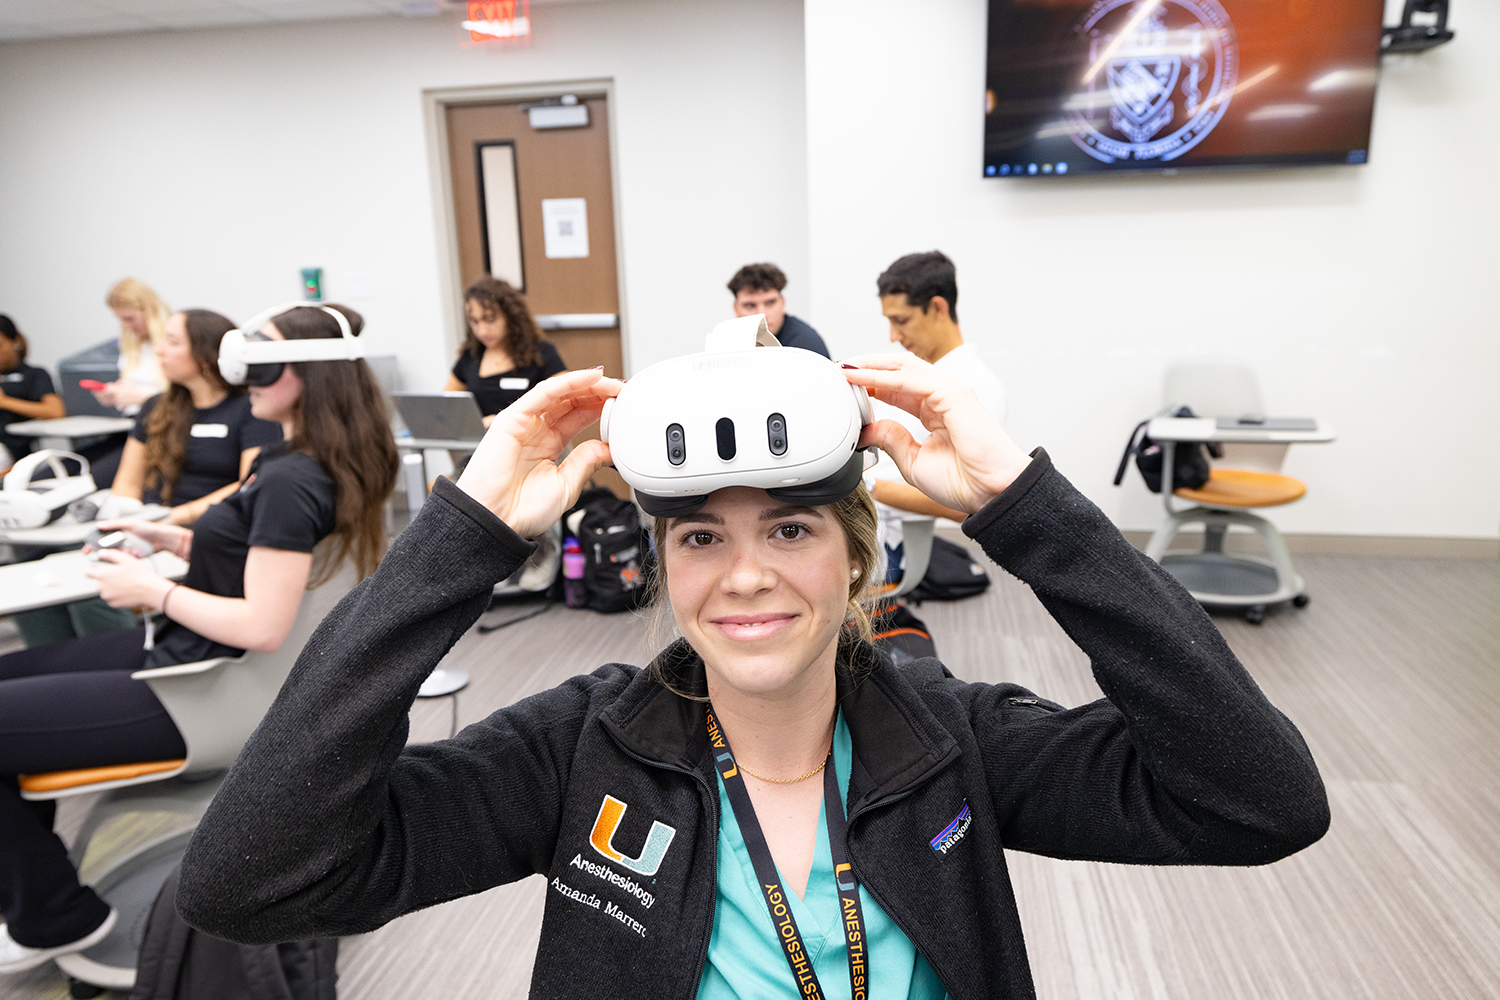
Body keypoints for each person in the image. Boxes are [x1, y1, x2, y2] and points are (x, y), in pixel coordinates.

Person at [175, 356, 1330, 999]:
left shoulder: (951, 743)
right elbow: (247, 878)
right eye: (699, 539)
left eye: (788, 532)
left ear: (856, 553)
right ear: (666, 566)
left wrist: (1026, 510)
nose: (744, 579)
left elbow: (1258, 800)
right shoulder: (581, 752)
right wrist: (467, 532)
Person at [0, 304, 398, 975]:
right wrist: (172, 538)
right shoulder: (313, 459)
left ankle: (56, 915)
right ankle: (39, 891)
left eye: (261, 355)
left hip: (207, 691)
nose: (243, 368)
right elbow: (267, 558)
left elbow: (264, 626)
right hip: (194, 656)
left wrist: (151, 591)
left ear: (308, 373)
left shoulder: (289, 477)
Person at [112, 309, 283, 525]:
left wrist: (174, 518)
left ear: (204, 355)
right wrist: (124, 523)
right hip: (149, 524)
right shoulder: (155, 407)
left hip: (208, 528)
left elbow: (249, 483)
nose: (159, 350)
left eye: (172, 342)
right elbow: (126, 485)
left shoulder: (253, 409)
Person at [443, 276, 567, 427]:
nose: (482, 331)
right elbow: (446, 406)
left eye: (490, 319)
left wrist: (506, 420)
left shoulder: (542, 353)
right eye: (474, 321)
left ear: (510, 316)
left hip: (529, 441)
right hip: (483, 445)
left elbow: (565, 400)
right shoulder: (471, 357)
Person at [98, 278, 172, 415]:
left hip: (164, 421)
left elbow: (188, 401)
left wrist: (143, 399)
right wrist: (116, 395)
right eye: (121, 320)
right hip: (134, 421)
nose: (126, 326)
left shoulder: (175, 345)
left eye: (130, 318)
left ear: (150, 309)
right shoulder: (132, 346)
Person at [0, 315, 65, 469]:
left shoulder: (35, 374)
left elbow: (56, 411)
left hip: (11, 448)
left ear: (16, 341)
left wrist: (5, 402)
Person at [728, 262, 830, 357]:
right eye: (750, 305)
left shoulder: (804, 346)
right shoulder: (729, 342)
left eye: (770, 303)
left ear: (783, 303)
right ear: (736, 309)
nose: (761, 314)